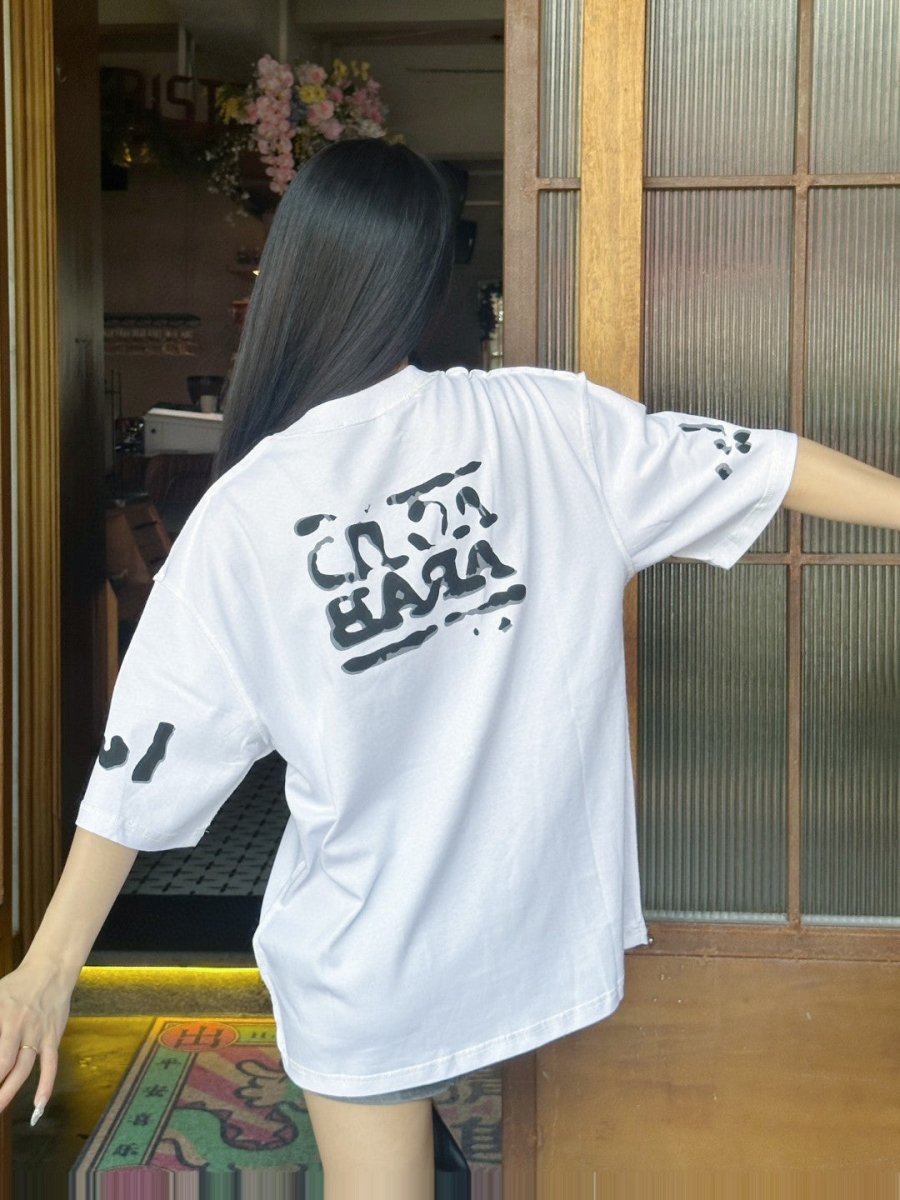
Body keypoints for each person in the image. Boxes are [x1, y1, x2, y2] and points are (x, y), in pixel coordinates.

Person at [0, 137, 897, 1200]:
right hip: (526, 932)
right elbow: (766, 461)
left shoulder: (247, 511)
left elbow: (146, 754)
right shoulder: (548, 423)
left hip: (363, 962)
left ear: (293, 280)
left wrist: (49, 971)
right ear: (430, 281)